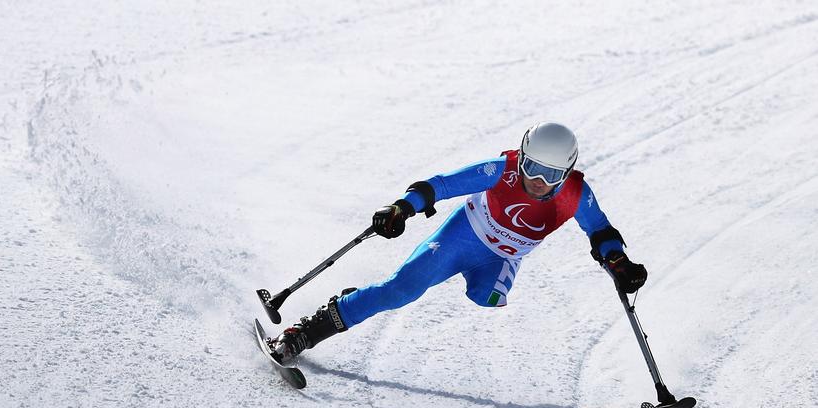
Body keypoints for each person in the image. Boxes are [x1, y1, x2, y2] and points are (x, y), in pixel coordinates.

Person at [265, 122, 647, 363]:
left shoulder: (575, 195)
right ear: (522, 157)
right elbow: (444, 184)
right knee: (401, 291)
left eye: (550, 175)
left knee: (488, 298)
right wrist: (403, 207)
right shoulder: (503, 170)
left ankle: (361, 298)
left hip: (502, 259)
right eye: (532, 167)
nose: (538, 181)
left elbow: (600, 231)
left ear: (566, 173)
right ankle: (306, 332)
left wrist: (618, 262)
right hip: (463, 236)